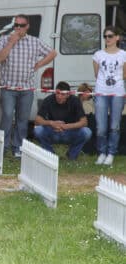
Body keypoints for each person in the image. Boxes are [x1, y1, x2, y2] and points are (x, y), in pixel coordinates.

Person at [0, 14, 57, 158]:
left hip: (26, 88)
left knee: (23, 120)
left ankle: (18, 148)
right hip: (8, 87)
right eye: (15, 25)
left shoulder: (34, 42)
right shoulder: (4, 40)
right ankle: (2, 148)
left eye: (21, 25)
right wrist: (11, 43)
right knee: (7, 116)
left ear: (27, 27)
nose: (18, 28)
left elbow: (53, 53)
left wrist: (39, 65)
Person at [92, 26, 126, 166]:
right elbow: (96, 74)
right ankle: (101, 153)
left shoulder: (123, 54)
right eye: (105, 36)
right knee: (101, 126)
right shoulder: (98, 54)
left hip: (117, 92)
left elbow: (124, 74)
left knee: (114, 125)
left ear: (117, 38)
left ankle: (111, 153)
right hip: (101, 91)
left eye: (110, 36)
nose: (107, 39)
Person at [33, 81, 92, 160]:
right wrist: (51, 123)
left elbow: (84, 122)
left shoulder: (75, 101)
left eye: (62, 94)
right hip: (53, 131)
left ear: (68, 94)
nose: (59, 96)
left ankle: (71, 156)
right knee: (38, 130)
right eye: (57, 93)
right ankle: (50, 156)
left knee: (87, 132)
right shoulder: (48, 99)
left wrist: (66, 126)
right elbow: (37, 120)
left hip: (70, 132)